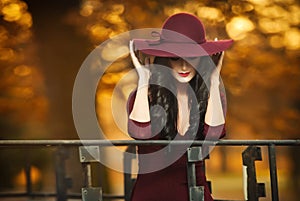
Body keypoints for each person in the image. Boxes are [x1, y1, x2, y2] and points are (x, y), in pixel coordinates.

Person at [127, 13, 233, 201]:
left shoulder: (211, 97)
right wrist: (144, 79)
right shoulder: (144, 96)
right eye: (176, 58)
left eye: (192, 57)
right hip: (152, 194)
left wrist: (214, 81)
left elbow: (214, 134)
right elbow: (140, 133)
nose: (184, 66)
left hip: (195, 193)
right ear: (164, 60)